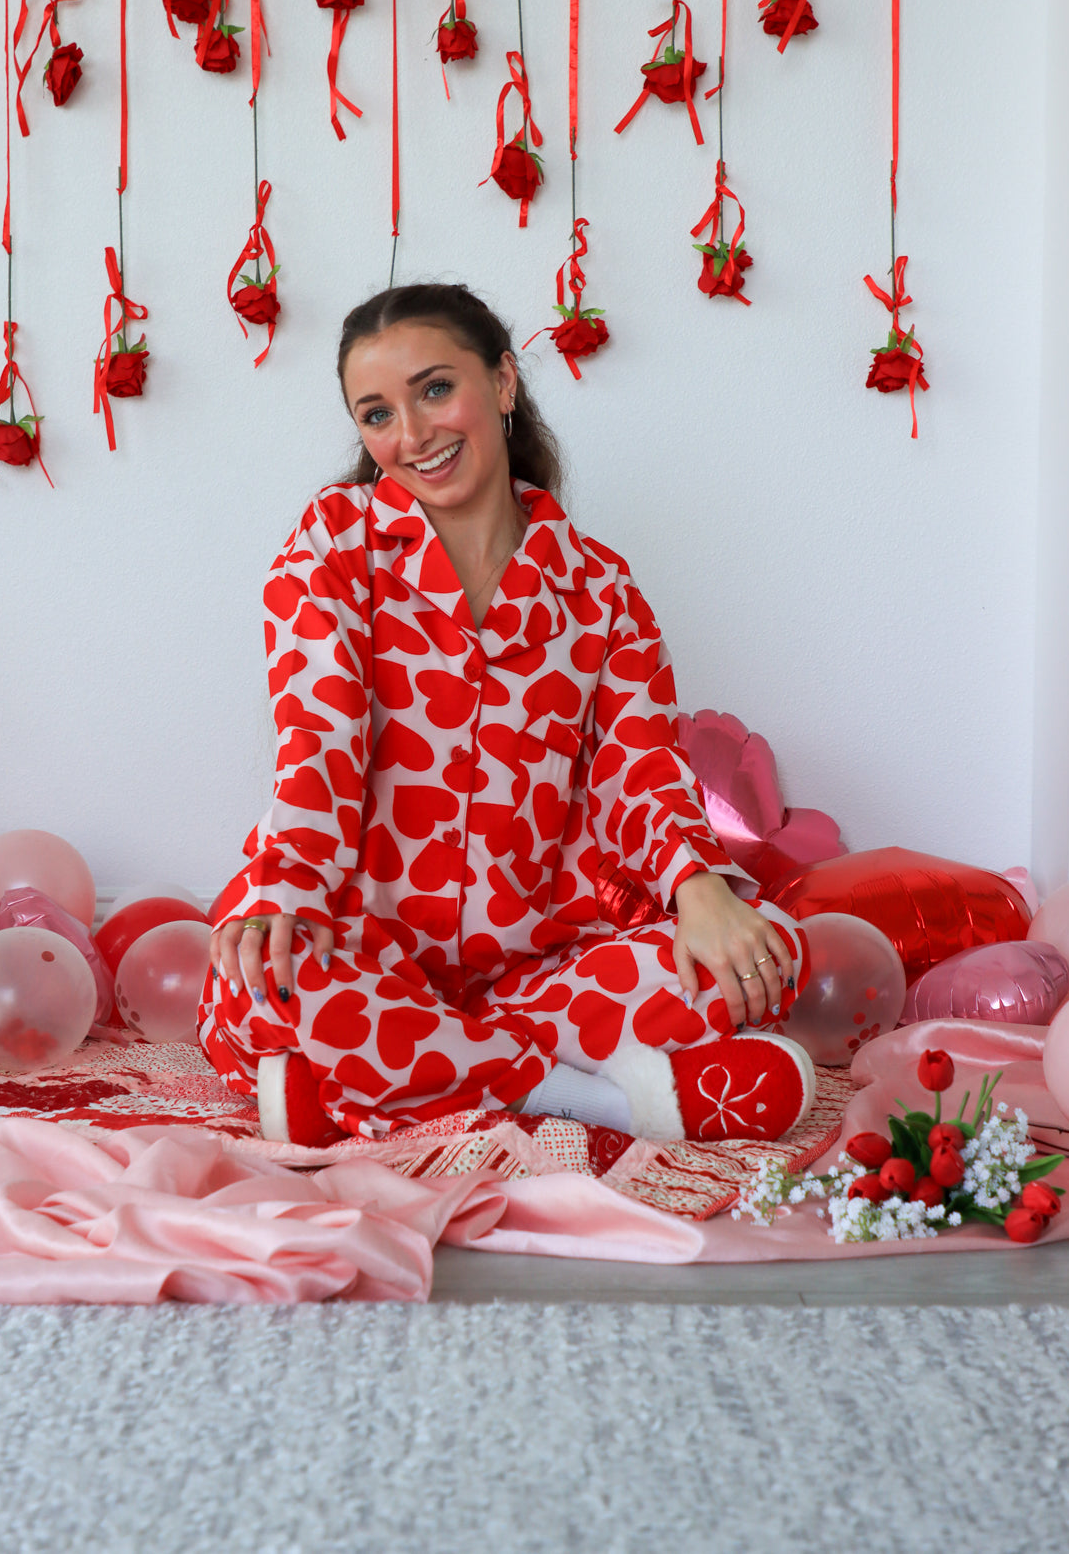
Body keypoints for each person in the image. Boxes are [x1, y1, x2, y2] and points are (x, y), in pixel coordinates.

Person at [200, 283, 816, 1147]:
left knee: (765, 951)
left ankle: (379, 1085)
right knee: (274, 977)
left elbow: (638, 764)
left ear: (503, 382)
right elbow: (320, 732)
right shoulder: (331, 549)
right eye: (377, 414)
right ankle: (588, 1097)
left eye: (435, 389)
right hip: (366, 949)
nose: (412, 436)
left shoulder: (599, 587)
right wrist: (288, 887)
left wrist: (698, 887)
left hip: (546, 966)